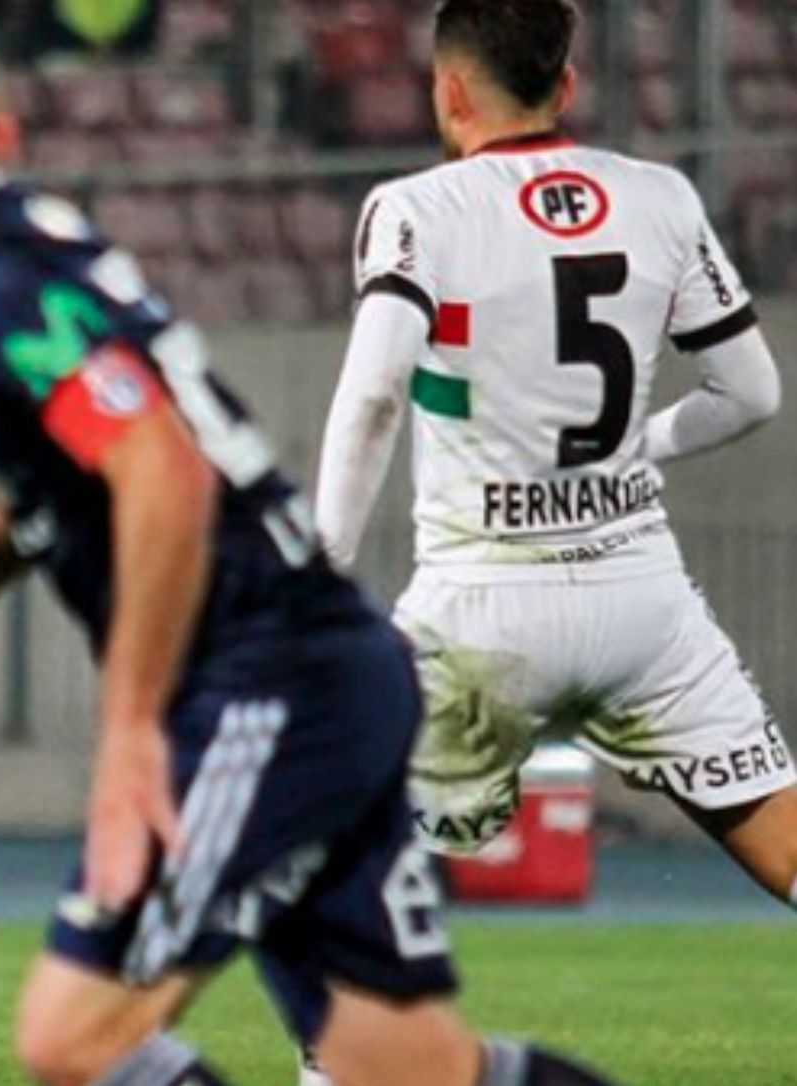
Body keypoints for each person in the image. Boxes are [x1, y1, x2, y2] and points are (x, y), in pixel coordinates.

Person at [0, 5, 630, 1085]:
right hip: (328, 668)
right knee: (410, 1068)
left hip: (262, 685)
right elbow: (92, 462)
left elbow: (160, 467)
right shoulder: (28, 234)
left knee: (75, 1034)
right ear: (1, 134)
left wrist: (131, 734)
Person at [310, 4, 793, 1076]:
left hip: (481, 614)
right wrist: (637, 450)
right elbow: (752, 392)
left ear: (445, 92)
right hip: (642, 604)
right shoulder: (660, 197)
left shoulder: (414, 209)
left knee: (347, 902)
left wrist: (320, 576)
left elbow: (377, 392)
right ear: (565, 86)